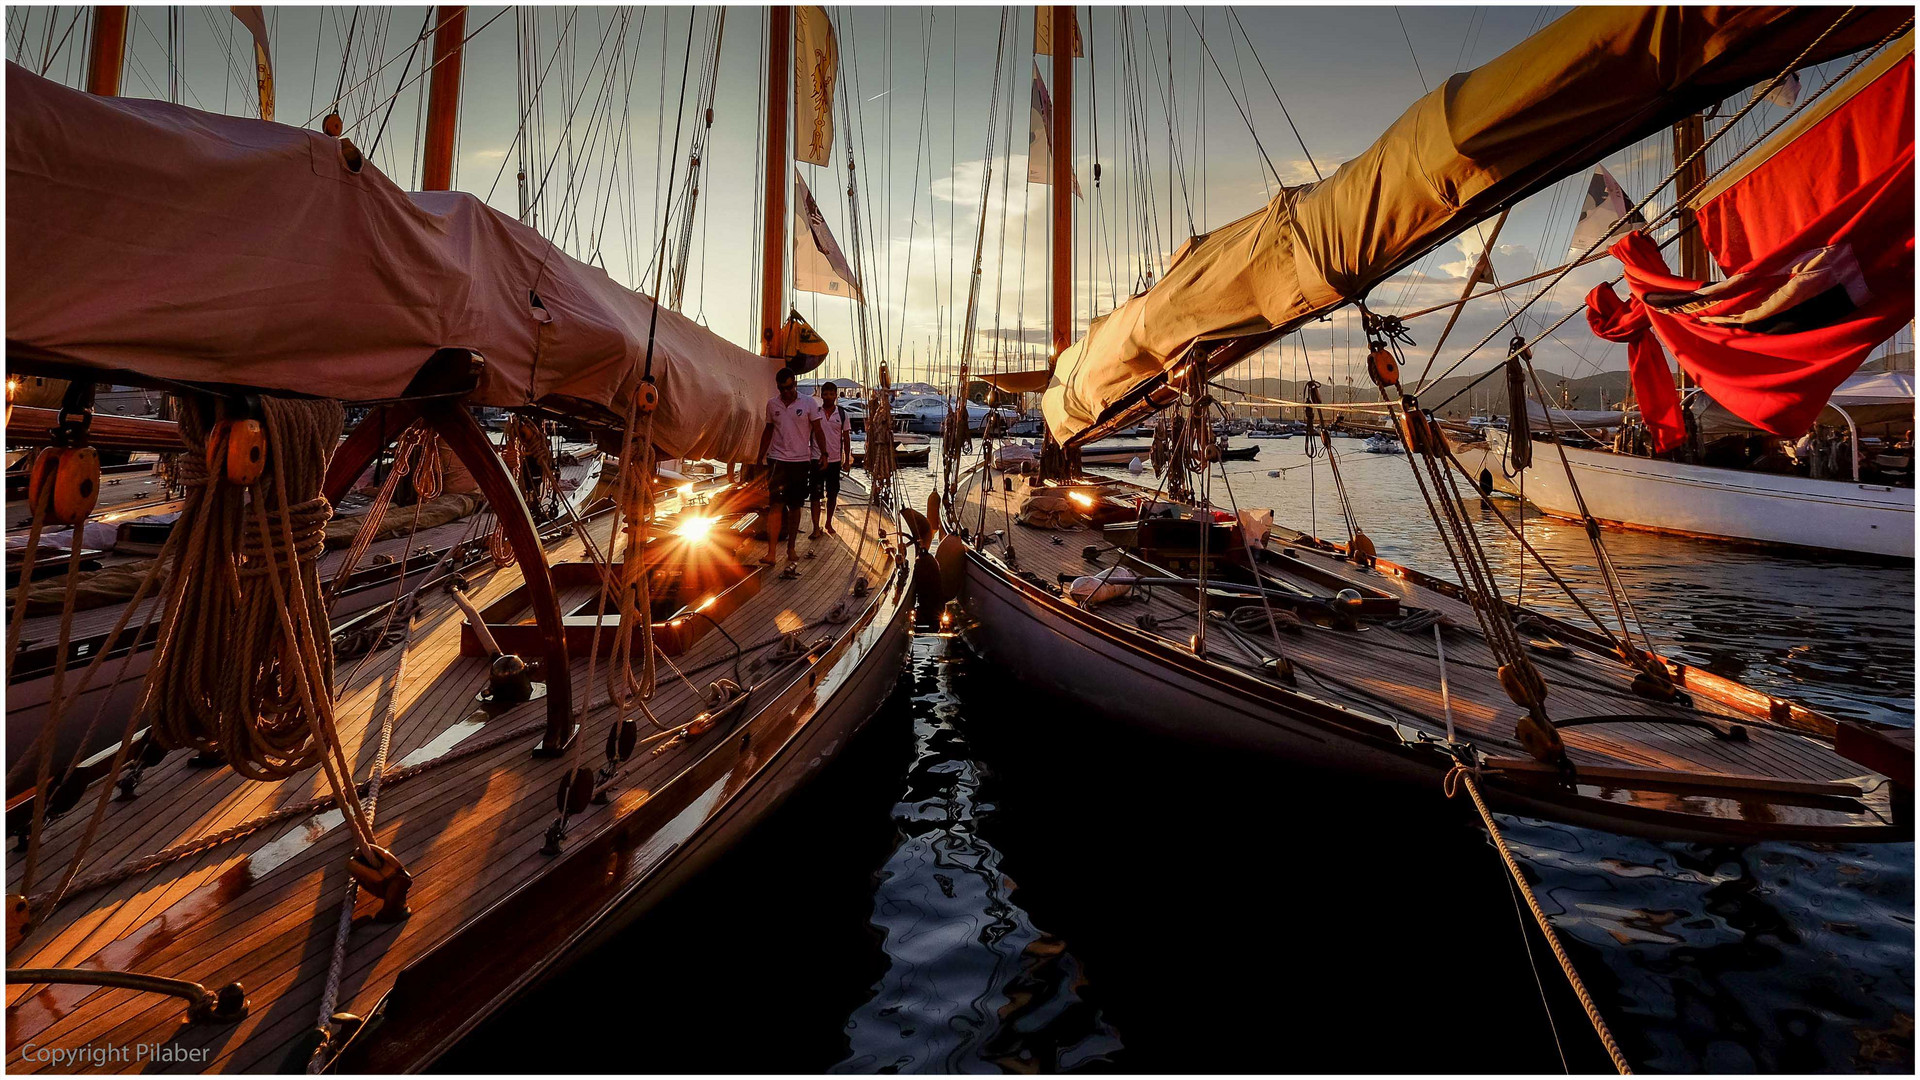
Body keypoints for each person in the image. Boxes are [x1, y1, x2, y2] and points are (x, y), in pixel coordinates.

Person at [757, 367, 827, 576]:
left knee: (795, 506)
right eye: (781, 389)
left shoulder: (808, 403)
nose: (786, 392)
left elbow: (817, 429)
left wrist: (823, 453)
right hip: (777, 460)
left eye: (788, 388)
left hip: (799, 461)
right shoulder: (772, 404)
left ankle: (791, 547)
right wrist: (759, 457)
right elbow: (768, 430)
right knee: (775, 505)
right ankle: (771, 552)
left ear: (794, 384)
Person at [810, 382, 853, 538]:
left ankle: (828, 522)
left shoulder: (842, 415)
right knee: (815, 495)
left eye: (831, 394)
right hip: (816, 458)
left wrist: (846, 459)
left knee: (832, 493)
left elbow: (846, 438)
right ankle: (815, 527)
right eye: (825, 394)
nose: (828, 397)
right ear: (822, 396)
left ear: (836, 395)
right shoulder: (815, 412)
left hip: (834, 460)